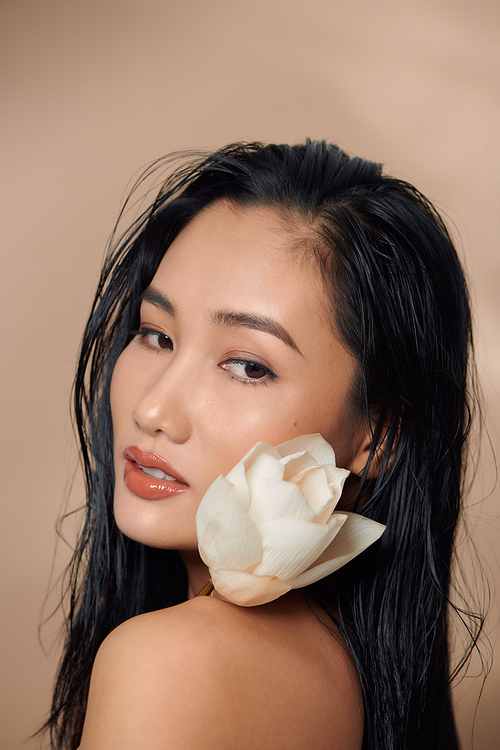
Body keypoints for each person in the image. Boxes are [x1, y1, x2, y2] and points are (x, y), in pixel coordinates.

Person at [41, 140, 483, 749]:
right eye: (155, 335)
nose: (153, 409)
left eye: (247, 366)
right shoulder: (342, 671)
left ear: (377, 436)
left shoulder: (165, 664)